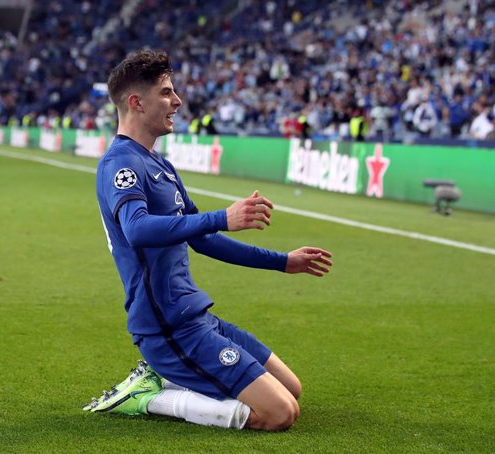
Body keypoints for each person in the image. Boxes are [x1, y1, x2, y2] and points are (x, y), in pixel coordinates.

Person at [86, 50, 333, 431]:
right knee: (280, 414)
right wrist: (223, 217)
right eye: (166, 92)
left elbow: (204, 239)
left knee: (291, 389)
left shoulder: (160, 165)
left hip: (196, 316)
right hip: (166, 327)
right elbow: (136, 229)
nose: (178, 101)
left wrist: (283, 262)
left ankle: (168, 376)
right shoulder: (120, 163)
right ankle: (149, 398)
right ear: (136, 102)